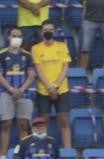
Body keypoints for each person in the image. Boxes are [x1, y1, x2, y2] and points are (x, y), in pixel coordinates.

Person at [0, 27, 37, 158]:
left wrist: (21, 89)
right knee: (6, 124)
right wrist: (11, 89)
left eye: (19, 36)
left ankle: (22, 155)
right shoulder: (1, 55)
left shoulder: (27, 55)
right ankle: (2, 155)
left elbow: (31, 75)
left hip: (24, 94)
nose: (16, 38)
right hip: (6, 94)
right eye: (14, 36)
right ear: (9, 37)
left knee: (24, 125)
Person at [32, 21, 72, 149]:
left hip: (62, 89)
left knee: (64, 121)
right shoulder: (36, 48)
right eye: (45, 29)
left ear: (54, 31)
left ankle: (68, 150)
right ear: (42, 32)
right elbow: (38, 69)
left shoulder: (62, 46)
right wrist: (50, 87)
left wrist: (56, 85)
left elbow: (65, 67)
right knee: (44, 121)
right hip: (44, 90)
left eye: (50, 29)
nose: (48, 31)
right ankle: (43, 148)